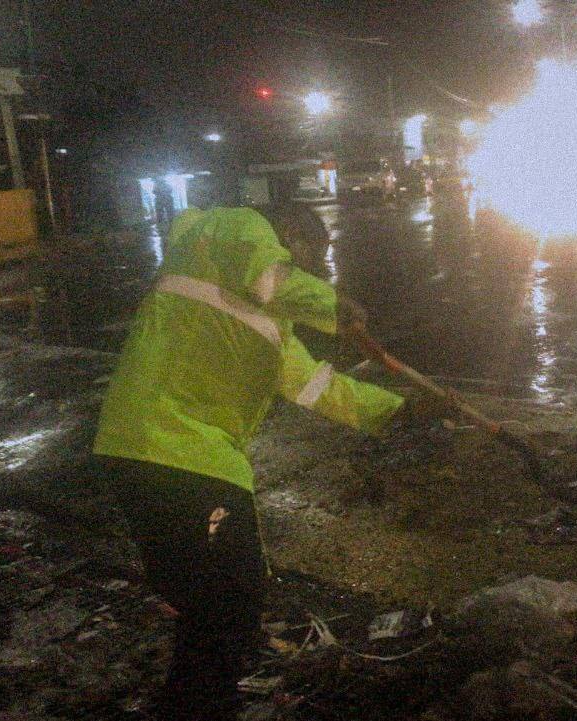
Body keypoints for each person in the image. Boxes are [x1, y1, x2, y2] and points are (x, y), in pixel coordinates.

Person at [93, 205, 431, 719]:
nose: (313, 270)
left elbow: (315, 385)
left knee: (206, 600)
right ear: (289, 234)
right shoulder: (231, 227)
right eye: (312, 256)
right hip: (184, 454)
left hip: (147, 453)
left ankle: (195, 701)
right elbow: (268, 273)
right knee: (232, 598)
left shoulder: (270, 325)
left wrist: (398, 411)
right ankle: (197, 706)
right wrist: (333, 305)